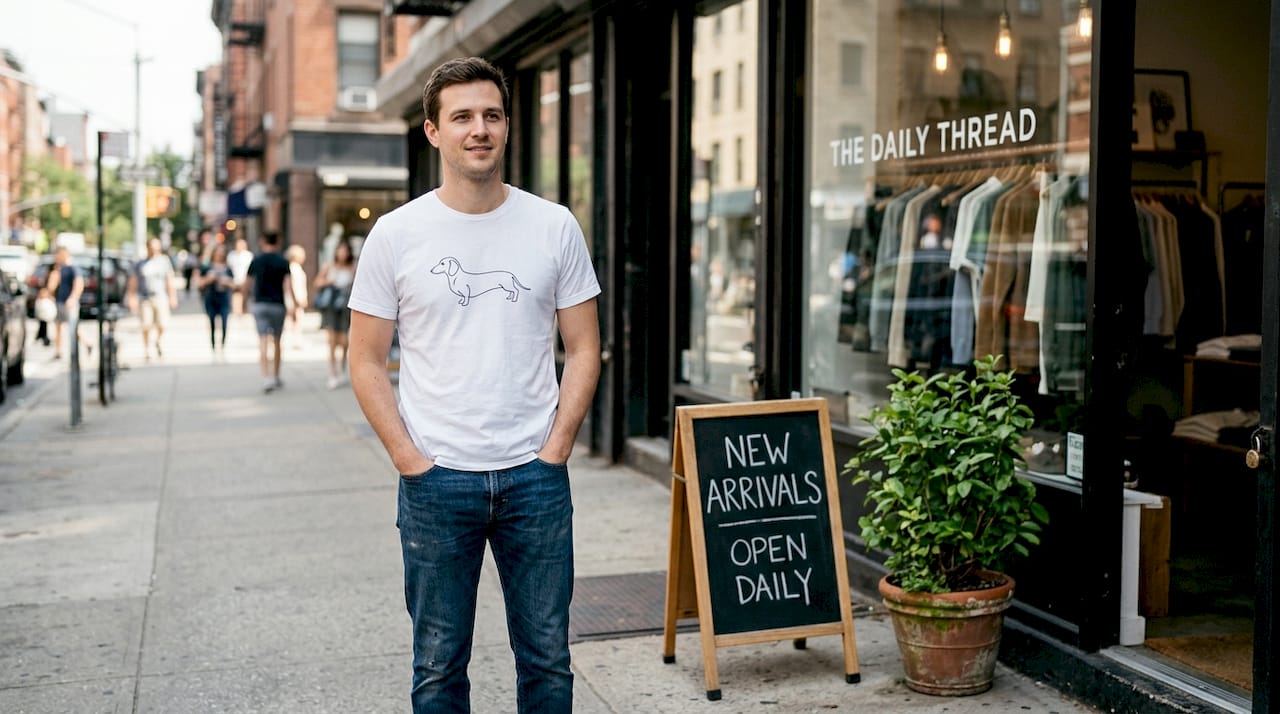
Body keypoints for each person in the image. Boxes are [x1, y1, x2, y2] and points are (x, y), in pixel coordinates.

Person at [347, 56, 600, 714]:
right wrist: (411, 461)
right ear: (433, 131)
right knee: (437, 666)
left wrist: (557, 447)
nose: (478, 129)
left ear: (508, 127)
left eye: (490, 115)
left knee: (547, 660)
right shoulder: (396, 236)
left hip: (534, 478)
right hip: (437, 482)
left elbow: (584, 346)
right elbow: (366, 360)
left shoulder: (554, 226)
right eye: (462, 117)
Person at [242, 232, 292, 393]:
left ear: (263, 241)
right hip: (278, 305)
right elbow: (288, 285)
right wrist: (293, 305)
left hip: (260, 304)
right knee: (277, 341)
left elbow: (247, 283)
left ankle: (266, 378)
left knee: (263, 341)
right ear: (278, 241)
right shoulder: (283, 261)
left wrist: (243, 302)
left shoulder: (256, 260)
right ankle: (276, 375)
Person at [127, 237, 179, 361]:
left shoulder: (164, 261)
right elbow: (133, 281)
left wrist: (172, 296)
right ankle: (147, 350)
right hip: (145, 297)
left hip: (160, 296)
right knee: (146, 324)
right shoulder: (140, 263)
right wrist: (131, 297)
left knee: (162, 324)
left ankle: (158, 341)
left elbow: (169, 280)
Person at [313, 239, 355, 389]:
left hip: (345, 308)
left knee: (344, 341)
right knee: (331, 341)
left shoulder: (352, 268)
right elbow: (317, 283)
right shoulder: (329, 266)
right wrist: (329, 282)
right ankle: (333, 373)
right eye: (340, 250)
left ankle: (342, 367)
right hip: (330, 307)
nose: (342, 253)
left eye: (345, 250)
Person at [41, 246, 83, 360]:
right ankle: (58, 351)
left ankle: (85, 345)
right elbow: (52, 286)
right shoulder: (59, 269)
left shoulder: (73, 268)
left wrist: (73, 298)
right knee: (58, 327)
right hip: (59, 301)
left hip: (69, 302)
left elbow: (79, 284)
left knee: (73, 328)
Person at [197, 242, 235, 354]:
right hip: (211, 298)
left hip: (224, 298)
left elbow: (234, 285)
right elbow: (199, 283)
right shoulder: (207, 267)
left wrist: (226, 282)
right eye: (218, 252)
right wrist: (209, 279)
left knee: (224, 321)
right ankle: (213, 344)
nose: (220, 255)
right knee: (212, 322)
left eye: (222, 253)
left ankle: (222, 344)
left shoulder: (228, 268)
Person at [284, 244, 308, 349]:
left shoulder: (291, 267)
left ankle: (292, 339)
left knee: (293, 319)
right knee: (296, 318)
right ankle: (294, 340)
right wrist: (297, 298)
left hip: (294, 296)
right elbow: (291, 284)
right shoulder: (294, 268)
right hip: (295, 296)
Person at [227, 237, 254, 315]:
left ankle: (244, 308)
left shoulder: (248, 255)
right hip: (234, 278)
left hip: (245, 278)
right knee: (235, 294)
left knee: (245, 293)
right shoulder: (231, 255)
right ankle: (236, 309)